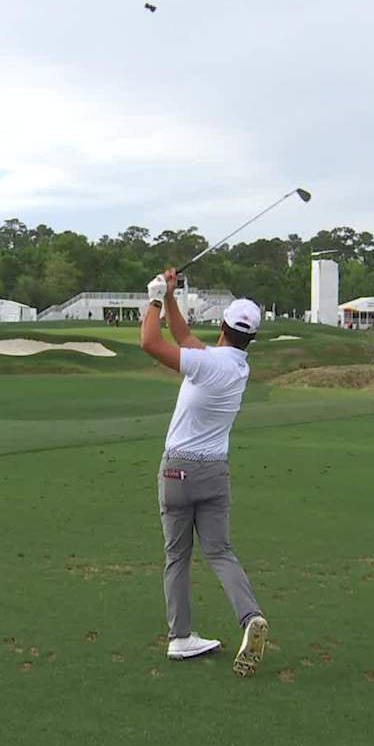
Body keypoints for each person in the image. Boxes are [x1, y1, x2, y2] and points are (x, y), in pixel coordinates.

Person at [137, 267, 268, 677]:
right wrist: (173, 297)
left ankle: (180, 637)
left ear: (224, 326)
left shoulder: (207, 364)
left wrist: (156, 297)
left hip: (177, 472)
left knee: (177, 556)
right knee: (221, 552)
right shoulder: (236, 368)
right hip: (214, 474)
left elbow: (150, 341)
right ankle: (250, 618)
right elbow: (185, 339)